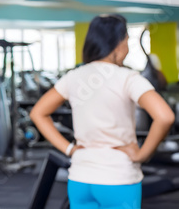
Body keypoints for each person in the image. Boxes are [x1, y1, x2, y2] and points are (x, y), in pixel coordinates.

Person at [30, 14, 175, 209]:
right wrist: (142, 155)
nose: (128, 48)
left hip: (81, 178)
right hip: (118, 178)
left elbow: (37, 113)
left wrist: (69, 149)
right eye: (127, 41)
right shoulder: (128, 77)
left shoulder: (74, 76)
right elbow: (165, 116)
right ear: (118, 44)